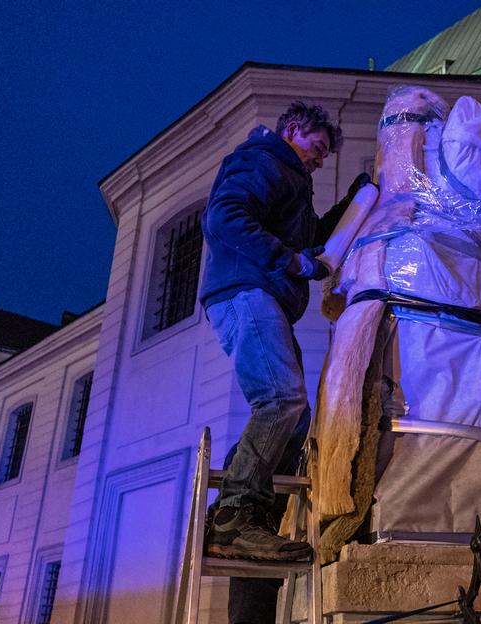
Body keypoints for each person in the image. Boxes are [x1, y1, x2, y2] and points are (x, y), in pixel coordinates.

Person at [199, 100, 370, 564]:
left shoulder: (293, 182)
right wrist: (292, 262)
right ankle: (236, 517)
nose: (319, 158)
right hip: (245, 292)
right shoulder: (264, 160)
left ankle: (240, 513)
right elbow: (225, 218)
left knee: (294, 418)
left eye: (323, 154)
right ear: (293, 129)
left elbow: (312, 238)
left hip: (263, 297)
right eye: (316, 147)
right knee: (281, 399)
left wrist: (356, 202)